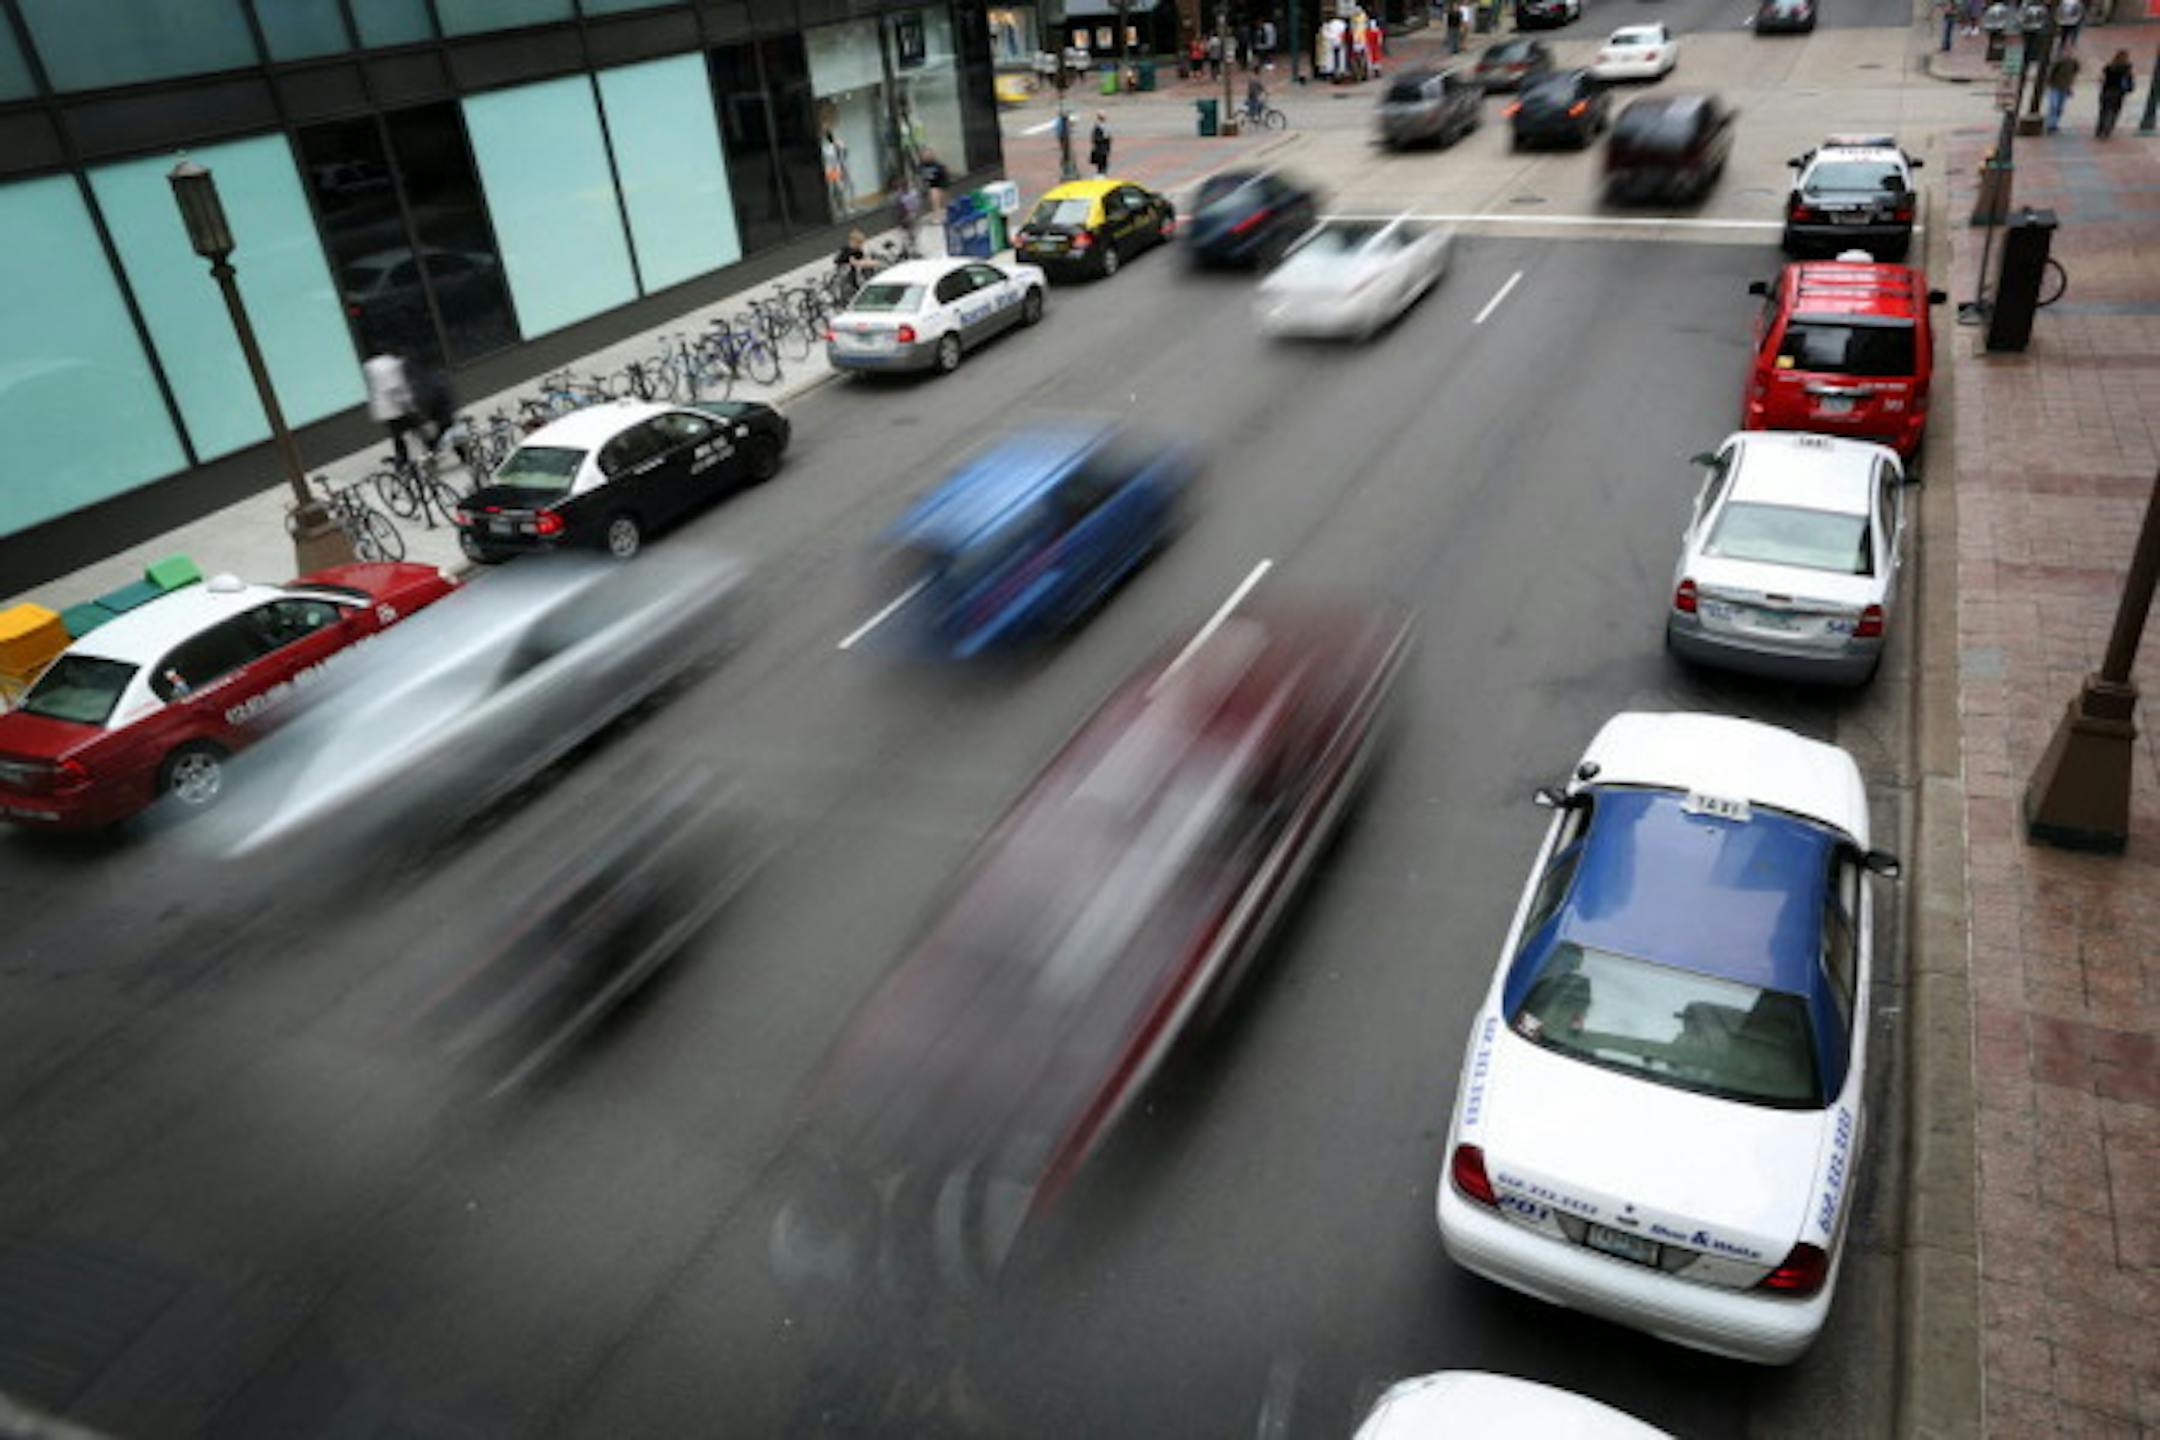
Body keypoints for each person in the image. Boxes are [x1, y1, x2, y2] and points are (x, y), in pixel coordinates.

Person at [364, 352, 418, 466]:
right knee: (414, 428)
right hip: (395, 406)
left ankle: (402, 460)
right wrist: (405, 403)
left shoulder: (370, 366)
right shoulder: (389, 364)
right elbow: (393, 387)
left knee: (397, 435)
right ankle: (410, 459)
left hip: (384, 409)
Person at [2097, 48, 2135, 135]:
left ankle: (2100, 129)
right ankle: (2108, 129)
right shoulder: (2126, 69)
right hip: (2118, 93)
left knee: (2104, 111)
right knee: (2114, 111)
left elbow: (2101, 78)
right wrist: (2129, 88)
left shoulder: (2109, 67)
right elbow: (2129, 81)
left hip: (2106, 91)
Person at [2045, 48, 2079, 131]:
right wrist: (2049, 83)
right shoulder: (2059, 62)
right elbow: (2051, 73)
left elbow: (2074, 75)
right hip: (2055, 86)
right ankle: (2050, 124)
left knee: (2059, 107)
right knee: (2054, 105)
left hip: (2064, 88)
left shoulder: (2074, 63)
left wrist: (2070, 87)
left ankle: (2054, 123)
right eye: (2067, 51)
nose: (2069, 53)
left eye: (2070, 52)